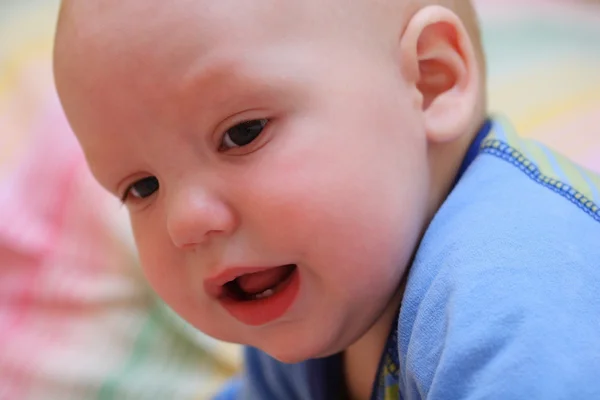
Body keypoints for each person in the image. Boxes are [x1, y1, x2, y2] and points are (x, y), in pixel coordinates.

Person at [52, 0, 600, 398]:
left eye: (242, 134)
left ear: (429, 81)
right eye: (141, 187)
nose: (185, 222)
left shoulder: (516, 290)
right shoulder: (326, 304)